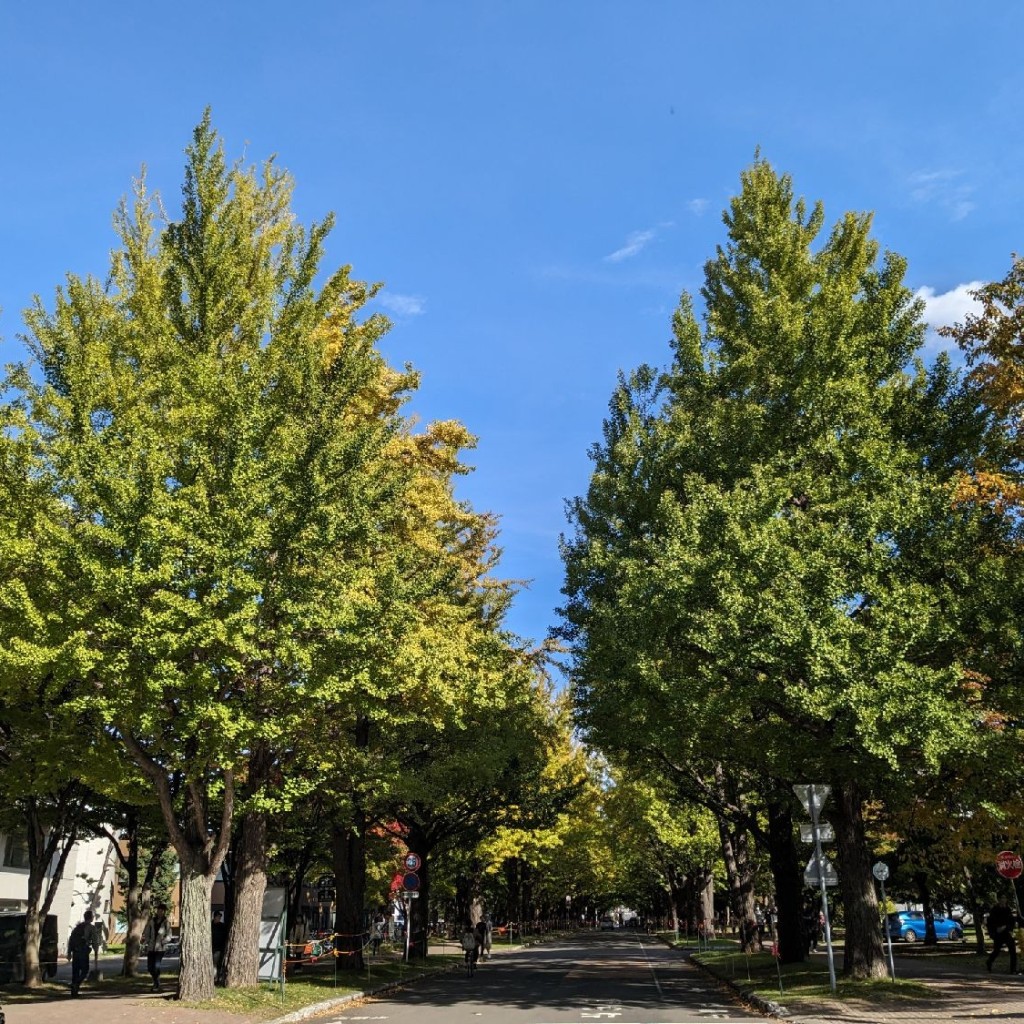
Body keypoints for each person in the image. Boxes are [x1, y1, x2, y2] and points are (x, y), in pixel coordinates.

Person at [67, 909, 100, 997]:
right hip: (83, 951)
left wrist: (69, 952)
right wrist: (96, 951)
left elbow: (71, 939)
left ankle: (74, 992)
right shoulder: (91, 927)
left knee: (75, 971)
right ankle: (76, 984)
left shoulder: (77, 927)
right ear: (91, 918)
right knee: (85, 970)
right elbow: (95, 941)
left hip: (75, 951)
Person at [987, 894, 1020, 973]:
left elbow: (1011, 920)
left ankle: (1013, 969)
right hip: (998, 933)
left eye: (1004, 898)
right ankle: (989, 962)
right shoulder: (995, 909)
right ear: (998, 899)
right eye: (1002, 898)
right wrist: (994, 931)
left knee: (1012, 950)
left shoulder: (1008, 909)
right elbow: (991, 922)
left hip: (1006, 932)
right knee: (996, 951)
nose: (1003, 900)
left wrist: (1009, 928)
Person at [143, 903, 171, 993]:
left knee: (156, 966)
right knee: (150, 967)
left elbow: (169, 935)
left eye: (161, 910)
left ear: (164, 912)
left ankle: (156, 983)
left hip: (160, 948)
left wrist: (164, 941)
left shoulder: (166, 922)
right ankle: (156, 981)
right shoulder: (152, 921)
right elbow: (147, 932)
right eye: (158, 910)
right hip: (151, 947)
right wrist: (145, 941)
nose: (159, 912)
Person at [211, 910, 227, 985]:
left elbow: (224, 936)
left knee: (216, 963)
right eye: (218, 917)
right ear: (214, 917)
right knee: (213, 964)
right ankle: (214, 978)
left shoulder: (222, 926)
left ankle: (216, 978)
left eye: (220, 917)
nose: (219, 918)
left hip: (218, 948)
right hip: (211, 947)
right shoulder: (210, 925)